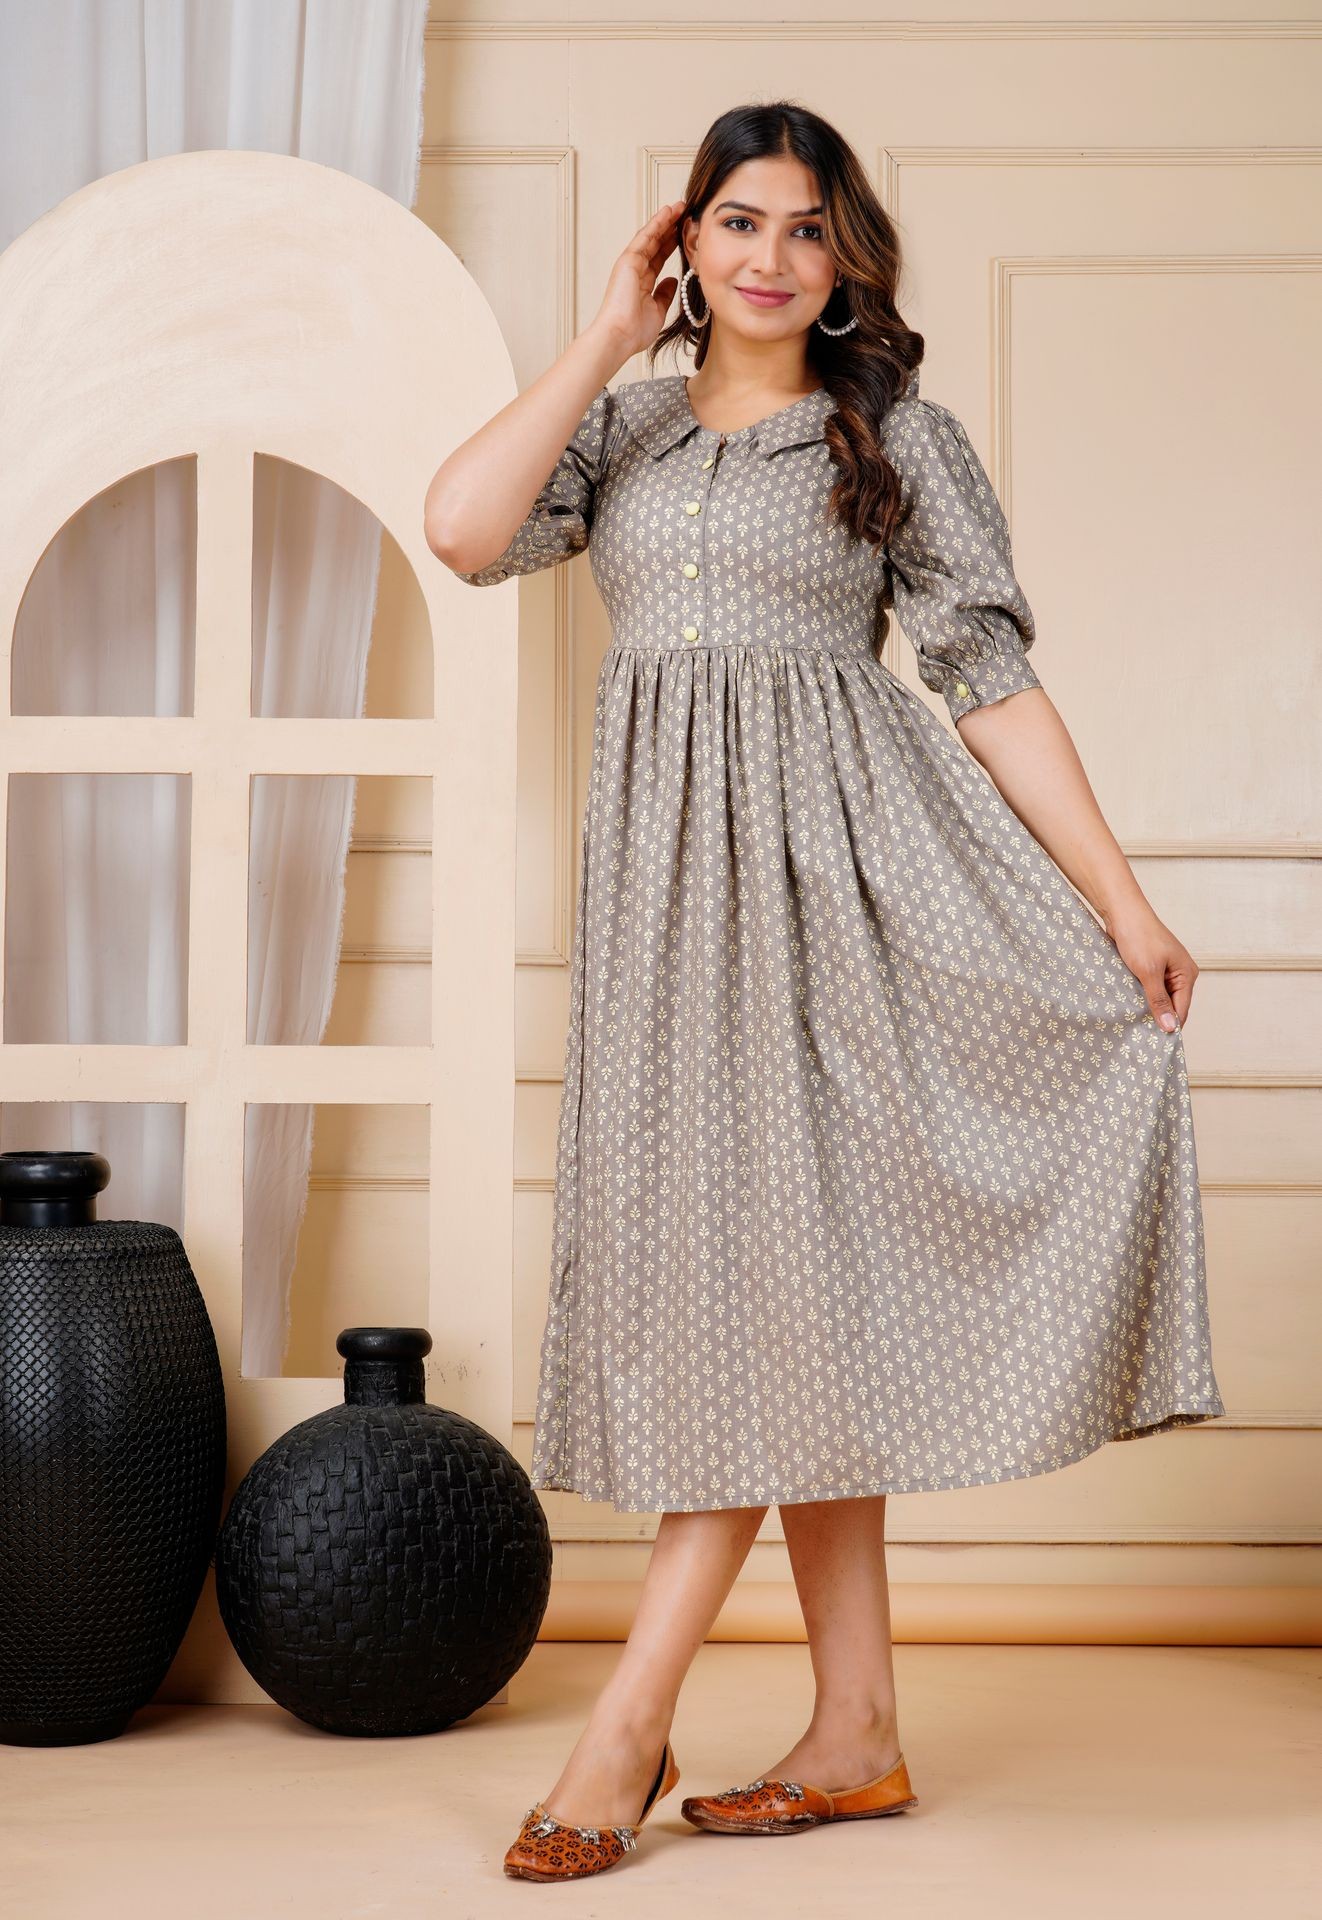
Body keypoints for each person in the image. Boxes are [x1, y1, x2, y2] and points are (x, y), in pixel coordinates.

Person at [424, 100, 1225, 1885]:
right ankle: (854, 1730)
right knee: (770, 1300)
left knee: (760, 1297)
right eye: (734, 223)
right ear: (684, 245)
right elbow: (461, 529)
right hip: (669, 920)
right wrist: (600, 335)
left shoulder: (894, 440)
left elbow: (987, 681)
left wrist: (1120, 903)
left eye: (802, 228)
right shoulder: (620, 431)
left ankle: (626, 1721)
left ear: (840, 257)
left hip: (854, 901)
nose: (769, 256)